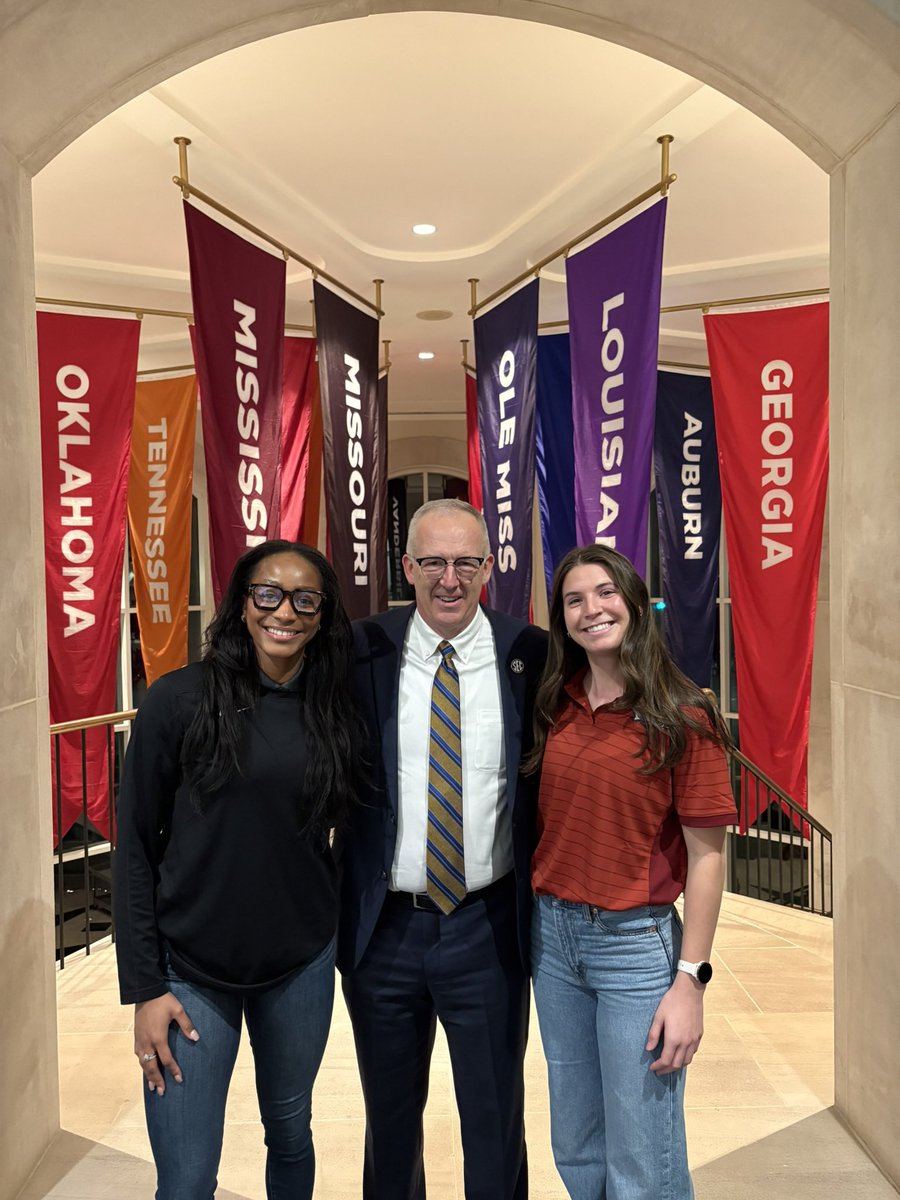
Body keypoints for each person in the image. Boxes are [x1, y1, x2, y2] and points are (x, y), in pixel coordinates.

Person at [114, 539, 363, 1200]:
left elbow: (355, 831)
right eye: (268, 594)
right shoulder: (177, 701)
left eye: (305, 598)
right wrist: (144, 986)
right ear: (242, 604)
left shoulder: (335, 709)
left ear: (322, 612)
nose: (286, 610)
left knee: (289, 1131)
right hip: (189, 972)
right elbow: (135, 847)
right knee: (189, 1177)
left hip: (299, 965)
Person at [338, 498, 547, 1200]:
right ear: (407, 567)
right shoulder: (362, 651)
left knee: (494, 1122)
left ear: (489, 568)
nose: (448, 578)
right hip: (385, 932)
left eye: (465, 562)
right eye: (432, 561)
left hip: (486, 931)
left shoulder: (530, 655)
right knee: (389, 1125)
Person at [524, 544, 736, 1200]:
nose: (592, 610)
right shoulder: (553, 704)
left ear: (634, 603)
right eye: (575, 600)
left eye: (605, 593)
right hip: (554, 942)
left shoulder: (683, 713)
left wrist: (690, 983)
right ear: (561, 619)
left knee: (643, 1153)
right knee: (578, 1142)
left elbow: (707, 858)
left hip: (636, 950)